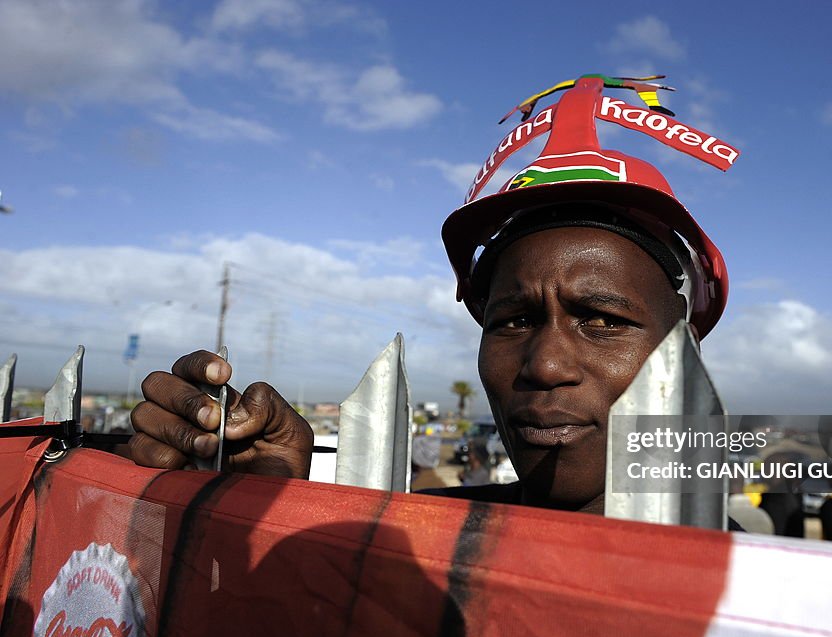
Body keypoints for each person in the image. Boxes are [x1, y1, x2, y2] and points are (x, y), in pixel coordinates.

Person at [127, 74, 731, 516]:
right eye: (514, 321)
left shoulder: (791, 605)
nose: (544, 365)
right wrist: (270, 508)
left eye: (600, 319)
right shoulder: (411, 550)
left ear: (687, 355)